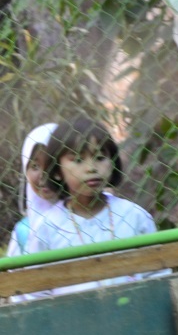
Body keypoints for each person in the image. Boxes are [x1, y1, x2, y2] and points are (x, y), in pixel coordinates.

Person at [19, 117, 168, 298]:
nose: (91, 168)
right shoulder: (47, 228)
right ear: (57, 171)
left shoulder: (133, 216)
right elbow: (35, 292)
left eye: (100, 158)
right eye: (78, 160)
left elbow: (157, 274)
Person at [6, 122, 59, 258]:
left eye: (52, 163)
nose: (44, 175)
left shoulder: (93, 214)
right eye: (35, 166)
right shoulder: (23, 232)